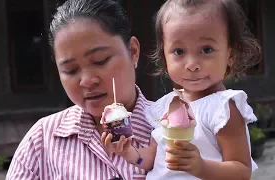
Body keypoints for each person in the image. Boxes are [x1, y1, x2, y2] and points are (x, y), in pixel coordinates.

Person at [102, 0, 262, 179]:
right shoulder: (166, 105)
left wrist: (201, 167)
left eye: (206, 49)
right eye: (179, 51)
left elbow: (241, 171)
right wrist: (129, 153)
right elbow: (154, 159)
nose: (192, 64)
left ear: (230, 55)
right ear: (165, 56)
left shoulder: (223, 109)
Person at [6, 0, 155, 179]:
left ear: (133, 51)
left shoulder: (171, 128)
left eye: (100, 60)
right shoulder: (41, 141)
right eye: (71, 70)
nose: (87, 81)